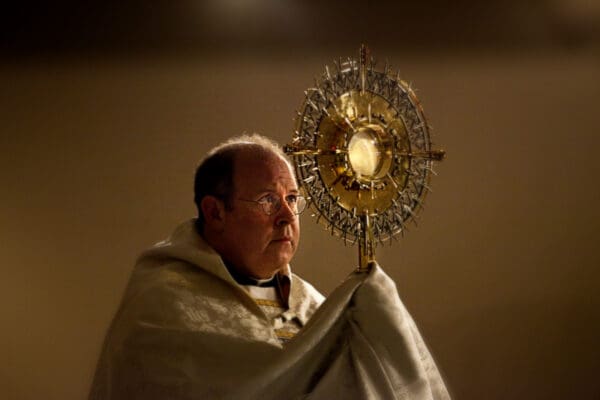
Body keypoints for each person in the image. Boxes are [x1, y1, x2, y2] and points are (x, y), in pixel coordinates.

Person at [89, 134, 450, 400]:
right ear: (216, 212)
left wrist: (376, 326)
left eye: (292, 199)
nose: (287, 216)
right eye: (267, 200)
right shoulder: (162, 307)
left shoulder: (312, 306)